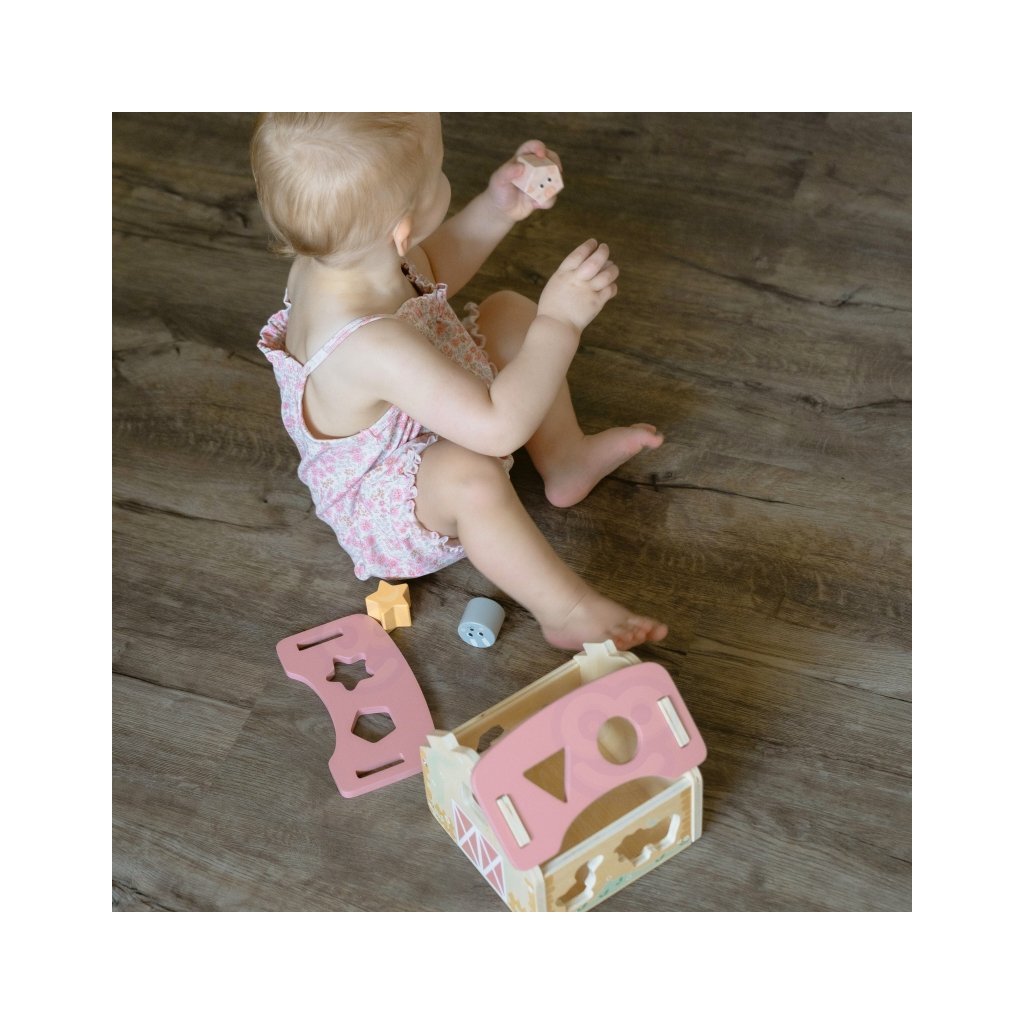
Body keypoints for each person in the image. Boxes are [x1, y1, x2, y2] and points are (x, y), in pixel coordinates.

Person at [253, 113, 667, 651]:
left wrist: (498, 207)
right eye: (440, 171)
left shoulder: (344, 257)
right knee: (472, 473)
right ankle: (564, 610)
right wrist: (561, 322)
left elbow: (431, 263)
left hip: (419, 414)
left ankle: (566, 460)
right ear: (402, 227)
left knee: (509, 314)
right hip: (391, 501)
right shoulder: (370, 346)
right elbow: (498, 429)